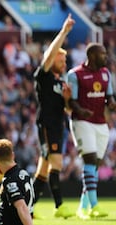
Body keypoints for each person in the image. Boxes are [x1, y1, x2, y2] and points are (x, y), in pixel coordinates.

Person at [32, 14, 75, 219]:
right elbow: (48, 56)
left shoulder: (61, 83)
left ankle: (28, 207)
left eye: (65, 59)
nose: (64, 62)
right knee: (56, 164)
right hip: (47, 125)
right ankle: (59, 206)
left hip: (58, 125)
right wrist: (64, 31)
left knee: (43, 170)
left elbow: (68, 110)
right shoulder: (44, 76)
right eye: (62, 58)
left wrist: (67, 99)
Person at [67, 42, 116, 220]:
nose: (106, 57)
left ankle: (83, 206)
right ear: (93, 56)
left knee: (95, 164)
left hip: (100, 123)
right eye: (103, 54)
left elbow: (109, 95)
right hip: (82, 121)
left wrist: (111, 102)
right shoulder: (75, 75)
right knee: (89, 159)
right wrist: (80, 110)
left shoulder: (105, 73)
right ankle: (94, 206)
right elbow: (71, 100)